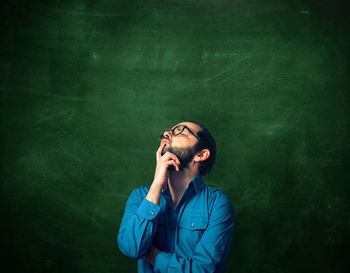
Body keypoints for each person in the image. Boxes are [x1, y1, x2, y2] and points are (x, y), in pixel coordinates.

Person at [117, 121, 234, 273]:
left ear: (201, 154)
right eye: (170, 130)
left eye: (181, 131)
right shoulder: (140, 197)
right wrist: (157, 184)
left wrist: (152, 255)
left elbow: (203, 269)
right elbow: (131, 248)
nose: (167, 133)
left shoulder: (217, 204)